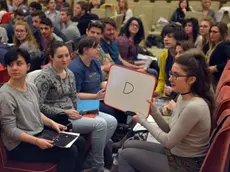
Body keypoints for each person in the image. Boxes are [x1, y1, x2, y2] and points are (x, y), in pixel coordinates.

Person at [118, 49, 215, 172]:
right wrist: (154, 112)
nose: (170, 79)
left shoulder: (195, 106)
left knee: (125, 155)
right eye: (171, 73)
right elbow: (169, 130)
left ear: (191, 79)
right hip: (176, 153)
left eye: (176, 75)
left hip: (186, 164)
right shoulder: (182, 96)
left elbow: (168, 142)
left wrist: (142, 121)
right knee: (127, 144)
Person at [34, 41, 117, 172]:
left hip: (75, 108)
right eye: (60, 56)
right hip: (60, 116)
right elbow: (38, 106)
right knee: (100, 124)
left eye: (67, 56)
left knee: (112, 121)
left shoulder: (69, 73)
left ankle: (89, 159)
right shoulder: (44, 76)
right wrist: (65, 111)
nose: (65, 59)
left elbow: (74, 97)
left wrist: (85, 108)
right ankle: (97, 166)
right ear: (51, 57)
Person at [0, 47, 86, 172]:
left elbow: (36, 112)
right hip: (19, 145)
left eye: (19, 64)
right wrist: (36, 141)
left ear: (28, 66)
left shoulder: (31, 86)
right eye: (10, 65)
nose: (14, 68)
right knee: (69, 152)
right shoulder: (5, 95)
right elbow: (10, 130)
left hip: (38, 133)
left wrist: (52, 123)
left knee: (81, 142)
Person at [156, 23, 187, 96]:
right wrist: (157, 92)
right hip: (167, 94)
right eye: (164, 36)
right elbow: (162, 79)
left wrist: (174, 91)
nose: (165, 39)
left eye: (169, 36)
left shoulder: (186, 57)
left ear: (178, 38)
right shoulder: (163, 56)